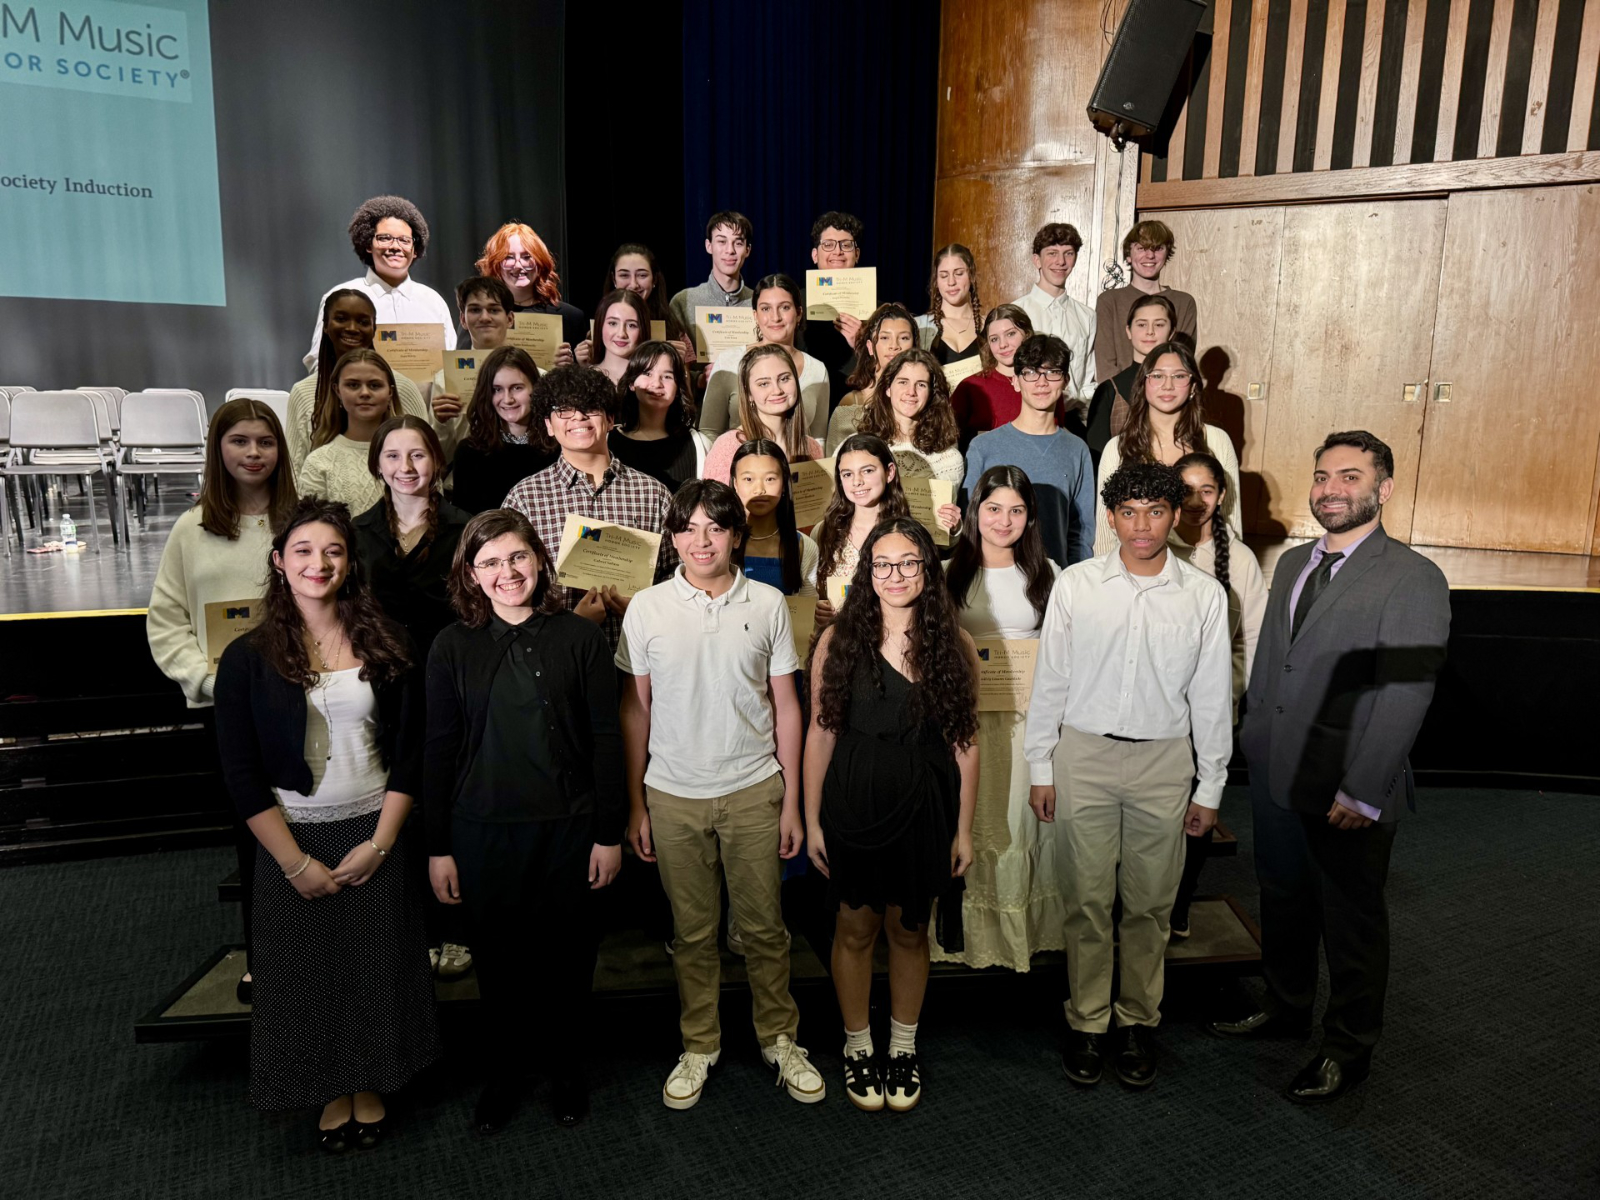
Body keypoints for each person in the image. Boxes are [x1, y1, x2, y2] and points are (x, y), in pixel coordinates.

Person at [1211, 432, 1450, 1105]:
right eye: (1322, 476)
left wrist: (1364, 790)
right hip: (1278, 772)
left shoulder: (1413, 577)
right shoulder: (1293, 563)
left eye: (1349, 476)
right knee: (1283, 899)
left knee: (1351, 921)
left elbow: (1406, 692)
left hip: (1349, 785)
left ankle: (1348, 1047)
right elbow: (1273, 661)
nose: (1331, 489)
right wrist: (1254, 739)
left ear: (1384, 489)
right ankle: (1286, 1007)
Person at [214, 497, 439, 1150]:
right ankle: (327, 1087)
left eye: (334, 551)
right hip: (293, 837)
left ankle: (371, 1080)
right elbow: (240, 774)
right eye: (304, 551)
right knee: (305, 972)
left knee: (376, 966)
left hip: (374, 827)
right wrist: (292, 862)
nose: (319, 563)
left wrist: (382, 844)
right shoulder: (247, 657)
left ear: (350, 563)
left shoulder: (387, 642)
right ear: (279, 561)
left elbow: (411, 754)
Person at [617, 481, 824, 1111]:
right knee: (692, 933)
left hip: (753, 788)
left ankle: (780, 1038)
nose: (700, 541)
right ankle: (699, 1044)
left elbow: (787, 707)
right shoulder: (646, 608)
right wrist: (636, 804)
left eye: (714, 527)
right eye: (687, 528)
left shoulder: (767, 603)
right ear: (672, 538)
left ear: (735, 535)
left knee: (764, 929)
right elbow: (636, 711)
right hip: (673, 793)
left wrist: (791, 802)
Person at [1024, 461, 1231, 1092]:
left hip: (1164, 762)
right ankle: (1088, 1021)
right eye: (1130, 512)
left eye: (1156, 512)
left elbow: (1212, 697)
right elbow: (1051, 680)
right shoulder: (1077, 585)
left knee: (1150, 904)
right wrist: (1040, 766)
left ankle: (1137, 1020)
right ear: (1111, 518)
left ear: (1175, 517)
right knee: (1086, 901)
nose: (1143, 526)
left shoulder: (1203, 595)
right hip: (1083, 757)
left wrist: (1211, 786)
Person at [424, 508, 624, 1134]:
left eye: (516, 557)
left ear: (539, 558)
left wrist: (608, 833)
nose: (506, 572)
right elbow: (438, 749)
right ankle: (505, 1073)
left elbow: (606, 739)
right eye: (489, 563)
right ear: (471, 575)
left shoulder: (580, 639)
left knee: (569, 959)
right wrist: (438, 846)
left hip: (570, 826)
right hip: (482, 830)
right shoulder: (451, 646)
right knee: (499, 962)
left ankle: (565, 1069)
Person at [805, 517, 979, 1112]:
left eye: (909, 562)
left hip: (926, 806)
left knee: (909, 930)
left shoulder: (953, 642)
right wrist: (811, 819)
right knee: (855, 929)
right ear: (867, 572)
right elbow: (821, 733)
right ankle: (858, 1044)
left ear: (928, 569)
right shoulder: (838, 640)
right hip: (853, 801)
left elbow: (966, 742)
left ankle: (902, 1046)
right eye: (883, 564)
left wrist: (963, 829)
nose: (895, 575)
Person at [147, 398, 298, 1006]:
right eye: (240, 441)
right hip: (233, 710)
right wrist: (211, 684)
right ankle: (266, 958)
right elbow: (167, 621)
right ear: (218, 449)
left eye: (266, 441)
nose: (254, 453)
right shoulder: (192, 529)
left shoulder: (301, 522)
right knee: (255, 834)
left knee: (317, 827)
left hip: (306, 700)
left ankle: (323, 948)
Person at [933, 466, 1064, 971]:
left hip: (1027, 719)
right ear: (975, 512)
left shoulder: (1047, 572)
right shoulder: (950, 572)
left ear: (1030, 517)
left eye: (1016, 510)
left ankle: (1023, 930)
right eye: (993, 509)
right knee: (973, 820)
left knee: (1019, 823)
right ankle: (965, 932)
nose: (1003, 521)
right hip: (967, 720)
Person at [502, 364, 676, 652]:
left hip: (639, 657)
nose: (578, 417)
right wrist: (572, 627)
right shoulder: (525, 499)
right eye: (564, 410)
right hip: (554, 659)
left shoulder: (653, 494)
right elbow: (508, 586)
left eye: (590, 408)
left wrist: (645, 607)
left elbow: (675, 573)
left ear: (610, 419)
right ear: (548, 425)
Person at [1166, 450, 1268, 939]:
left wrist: (1225, 692)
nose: (1196, 501)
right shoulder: (1154, 545)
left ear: (1222, 496)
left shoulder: (1239, 558)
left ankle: (1179, 904)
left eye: (1206, 490)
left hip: (1209, 712)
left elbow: (1253, 638)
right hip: (1157, 712)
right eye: (1185, 490)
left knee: (1197, 811)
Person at [1093, 341, 1241, 555]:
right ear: (1143, 383)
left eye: (1179, 376)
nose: (1168, 385)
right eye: (1157, 376)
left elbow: (1231, 518)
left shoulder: (1217, 441)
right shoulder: (1117, 448)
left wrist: (1232, 566)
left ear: (1193, 387)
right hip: (1135, 563)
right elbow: (1105, 529)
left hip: (1202, 562)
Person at [963, 335, 1096, 567]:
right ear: (1016, 381)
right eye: (1031, 373)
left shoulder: (1077, 449)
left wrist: (1075, 577)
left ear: (1065, 381)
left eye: (1052, 372)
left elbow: (1081, 531)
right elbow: (969, 521)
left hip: (1055, 578)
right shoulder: (983, 447)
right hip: (992, 576)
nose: (1041, 382)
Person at [306, 195, 453, 372]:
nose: (395, 246)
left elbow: (451, 365)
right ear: (368, 244)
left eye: (404, 240)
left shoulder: (433, 301)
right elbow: (319, 362)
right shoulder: (341, 297)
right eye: (385, 238)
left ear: (414, 250)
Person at [286, 290, 428, 471]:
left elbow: (425, 456)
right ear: (326, 325)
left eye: (363, 322)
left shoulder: (403, 388)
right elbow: (294, 469)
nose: (352, 328)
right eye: (341, 319)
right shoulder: (303, 392)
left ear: (374, 329)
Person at [702, 274, 830, 441]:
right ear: (755, 315)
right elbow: (709, 432)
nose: (775, 317)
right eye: (765, 309)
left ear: (799, 313)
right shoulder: (729, 361)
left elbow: (819, 439)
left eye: (785, 307)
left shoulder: (817, 370)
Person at [813, 434, 911, 627]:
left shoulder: (909, 533)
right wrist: (819, 609)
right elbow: (816, 592)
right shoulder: (824, 531)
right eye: (847, 474)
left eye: (867, 471)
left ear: (889, 472)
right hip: (839, 638)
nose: (857, 481)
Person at [448, 347, 558, 516]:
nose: (507, 399)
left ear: (535, 388)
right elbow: (464, 522)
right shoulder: (469, 452)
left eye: (517, 388)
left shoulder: (559, 447)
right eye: (497, 389)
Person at [1071, 293, 1176, 466]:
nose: (1150, 331)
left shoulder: (1182, 387)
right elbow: (1097, 459)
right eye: (1141, 324)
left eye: (1159, 324)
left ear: (1171, 332)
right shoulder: (1109, 390)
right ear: (1128, 331)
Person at [299, 350, 405, 514]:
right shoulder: (319, 462)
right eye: (353, 385)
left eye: (374, 385)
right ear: (337, 391)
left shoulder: (414, 455)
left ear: (390, 392)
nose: (365, 393)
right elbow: (311, 526)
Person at [702, 344, 824, 484]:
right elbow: (712, 498)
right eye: (764, 384)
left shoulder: (812, 447)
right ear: (748, 393)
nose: (777, 390)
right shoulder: (729, 446)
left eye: (784, 379)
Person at [1095, 220, 1198, 382]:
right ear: (1129, 255)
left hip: (1167, 390)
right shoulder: (1109, 300)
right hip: (1120, 392)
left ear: (1167, 254)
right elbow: (1105, 363)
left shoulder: (1184, 302)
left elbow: (1182, 362)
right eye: (1141, 248)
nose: (1150, 255)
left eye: (1157, 248)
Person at [473, 221, 589, 363]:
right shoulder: (478, 316)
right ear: (496, 265)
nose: (518, 265)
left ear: (540, 262)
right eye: (509, 257)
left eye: (526, 257)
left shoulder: (571, 317)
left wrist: (570, 367)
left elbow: (584, 371)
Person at [428, 277, 515, 462]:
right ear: (463, 319)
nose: (485, 317)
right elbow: (441, 457)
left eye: (494, 310)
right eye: (475, 310)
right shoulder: (444, 379)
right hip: (464, 474)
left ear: (509, 319)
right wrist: (440, 423)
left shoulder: (534, 376)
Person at [854, 347, 965, 486]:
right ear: (888, 388)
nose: (911, 392)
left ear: (932, 394)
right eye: (903, 382)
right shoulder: (855, 448)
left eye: (921, 385)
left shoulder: (949, 460)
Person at [609, 341, 711, 493]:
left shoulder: (697, 443)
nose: (657, 383)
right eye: (647, 373)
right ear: (631, 383)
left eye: (667, 376)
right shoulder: (607, 441)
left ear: (678, 387)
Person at [1012, 222, 1095, 404]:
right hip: (1027, 411)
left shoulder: (1087, 316)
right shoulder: (1017, 312)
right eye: (1052, 253)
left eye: (1068, 253)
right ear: (1037, 260)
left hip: (1072, 414)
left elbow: (1088, 379)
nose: (1061, 261)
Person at [729, 439, 819, 596]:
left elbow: (807, 604)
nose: (759, 490)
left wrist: (817, 608)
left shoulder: (804, 546)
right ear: (735, 483)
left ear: (784, 484)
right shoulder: (721, 540)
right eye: (748, 479)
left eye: (770, 479)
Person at [825, 303, 918, 455]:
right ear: (870, 347)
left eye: (904, 338)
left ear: (914, 346)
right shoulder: (852, 403)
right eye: (885, 337)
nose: (894, 346)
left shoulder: (923, 399)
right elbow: (834, 461)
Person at [949, 304, 1035, 450]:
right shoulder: (971, 387)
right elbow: (949, 440)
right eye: (994, 339)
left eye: (1010, 334)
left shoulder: (1044, 383)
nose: (1003, 344)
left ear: (1026, 334)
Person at [803, 211, 869, 396]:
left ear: (857, 254)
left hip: (858, 399)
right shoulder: (794, 302)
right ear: (815, 255)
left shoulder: (878, 310)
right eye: (828, 245)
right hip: (807, 398)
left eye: (846, 245)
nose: (838, 251)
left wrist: (862, 345)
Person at [601, 242, 696, 369]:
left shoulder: (673, 329)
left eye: (642, 275)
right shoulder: (600, 329)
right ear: (614, 279)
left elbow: (686, 380)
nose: (633, 284)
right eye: (624, 275)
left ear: (654, 279)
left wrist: (680, 364)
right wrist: (584, 363)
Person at [669, 211, 755, 337]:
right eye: (722, 241)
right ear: (709, 246)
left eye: (738, 243)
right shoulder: (683, 302)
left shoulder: (758, 302)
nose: (730, 250)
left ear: (747, 250)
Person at [916, 243, 983, 365]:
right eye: (944, 276)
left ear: (971, 275)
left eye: (959, 274)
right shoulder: (919, 326)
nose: (951, 282)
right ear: (936, 280)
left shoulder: (988, 326)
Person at [589, 288, 651, 386]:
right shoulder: (583, 380)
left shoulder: (651, 382)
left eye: (631, 325)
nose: (621, 334)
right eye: (613, 323)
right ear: (600, 325)